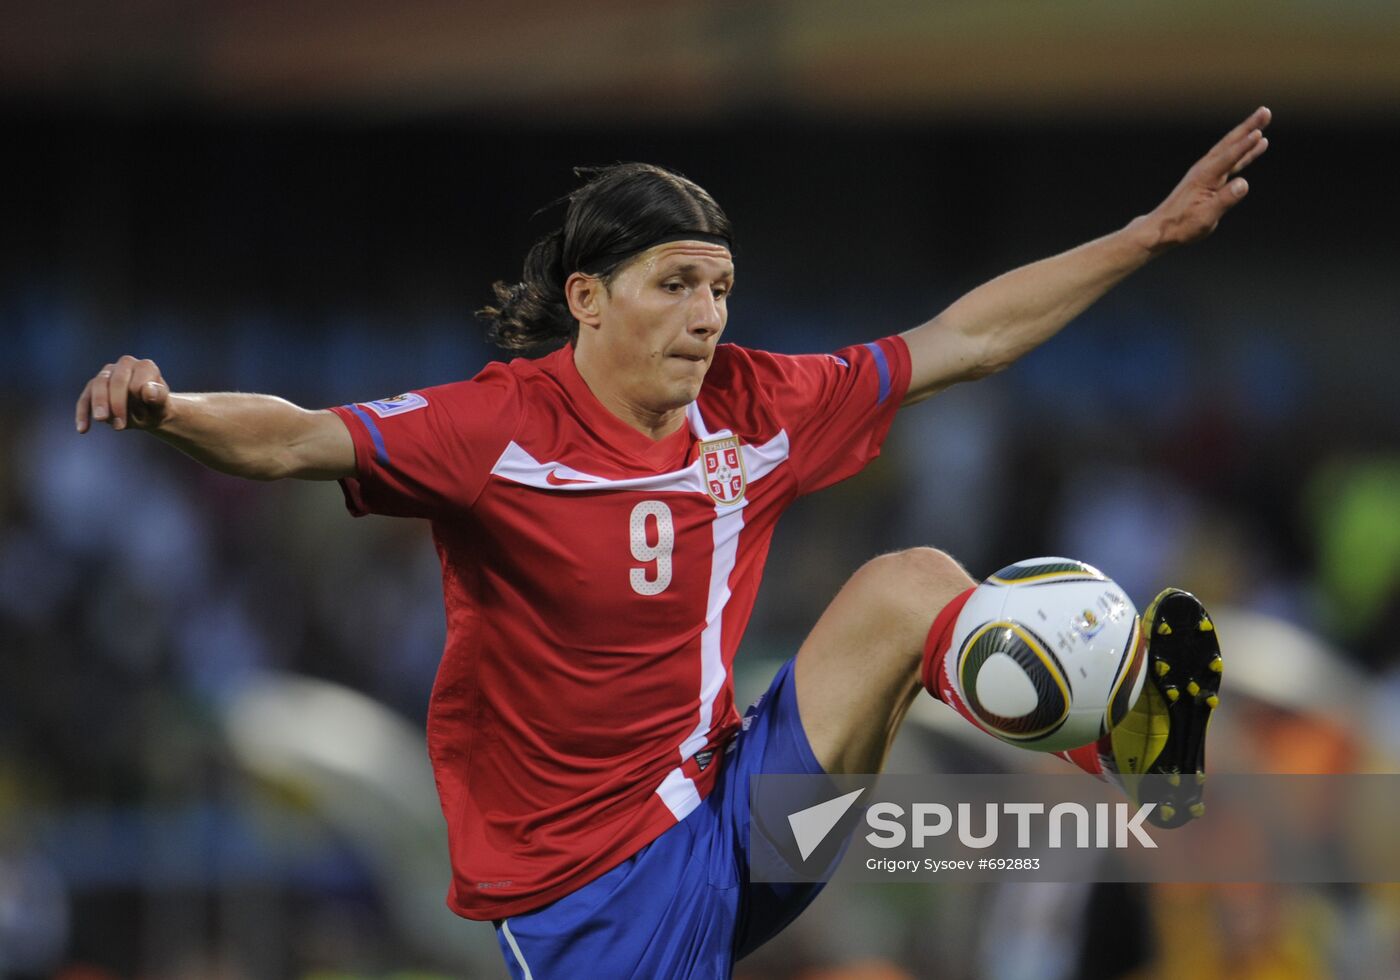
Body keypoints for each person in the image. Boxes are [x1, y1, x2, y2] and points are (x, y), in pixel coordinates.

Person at [74, 107, 1270, 979]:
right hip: (591, 891)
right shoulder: (495, 429)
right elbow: (292, 440)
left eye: (721, 284)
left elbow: (964, 339)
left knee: (909, 587)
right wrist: (172, 412)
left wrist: (1142, 236)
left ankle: (1123, 740)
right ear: (589, 298)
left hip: (749, 822)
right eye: (675, 282)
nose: (707, 314)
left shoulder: (759, 404)